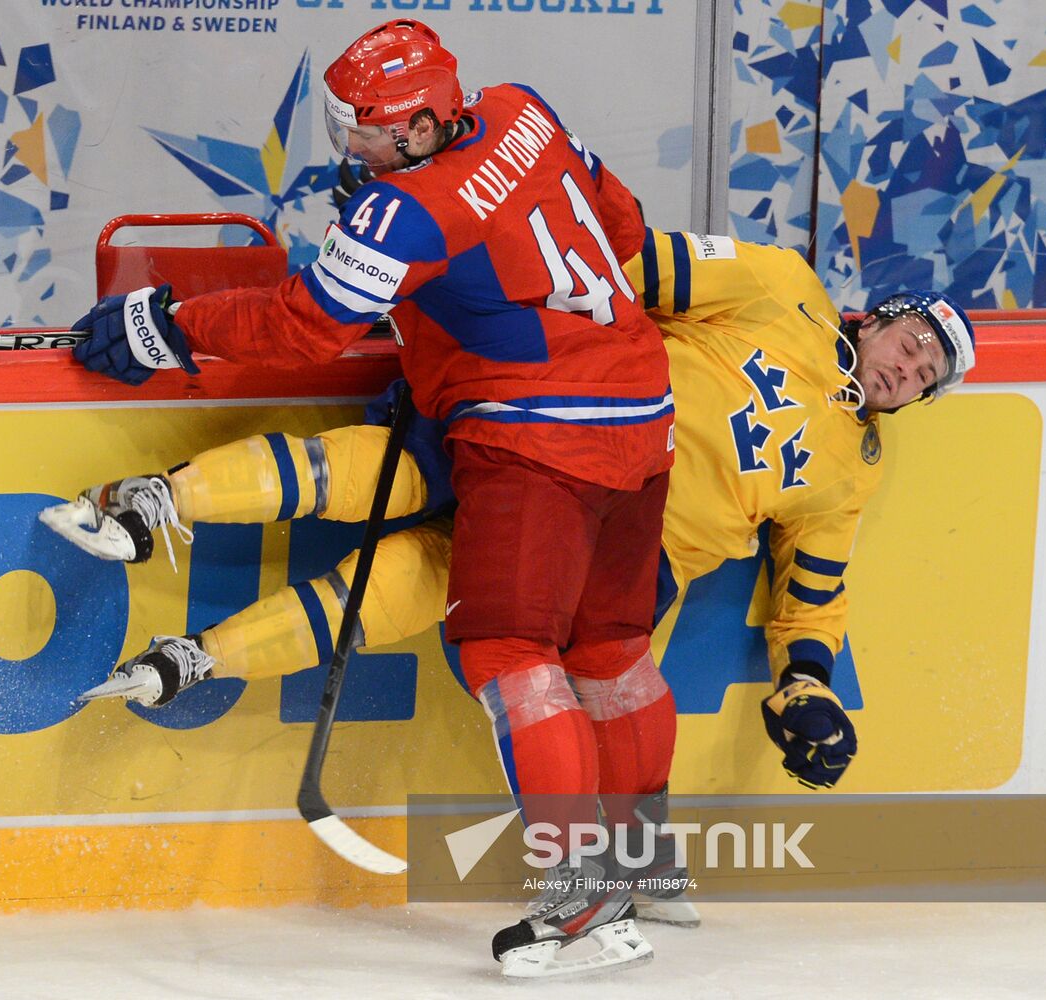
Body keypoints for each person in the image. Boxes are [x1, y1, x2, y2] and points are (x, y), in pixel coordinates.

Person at [61, 19, 675, 979]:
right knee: (611, 652)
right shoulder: (521, 110)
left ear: (419, 123)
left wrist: (167, 324)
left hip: (536, 438)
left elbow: (301, 326)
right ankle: (640, 863)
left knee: (509, 652)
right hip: (643, 416)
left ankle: (583, 898)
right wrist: (451, 338)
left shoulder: (405, 213)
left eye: (361, 130)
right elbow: (624, 228)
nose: (348, 148)